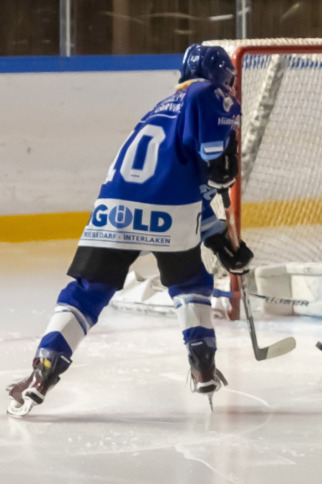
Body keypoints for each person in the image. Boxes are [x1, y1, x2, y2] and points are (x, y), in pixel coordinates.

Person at [6, 44, 254, 417]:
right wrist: (221, 167)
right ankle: (202, 362)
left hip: (114, 208)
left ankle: (44, 369)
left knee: (87, 292)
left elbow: (173, 178)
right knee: (189, 283)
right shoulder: (206, 95)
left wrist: (217, 233)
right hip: (169, 213)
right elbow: (205, 173)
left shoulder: (160, 110)